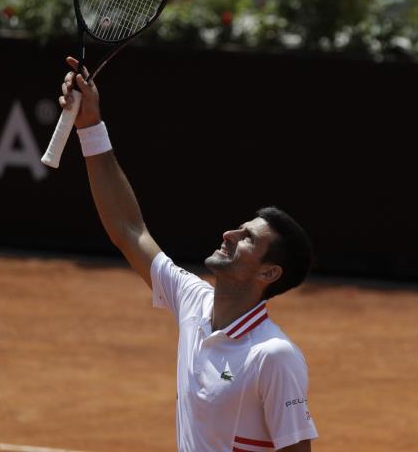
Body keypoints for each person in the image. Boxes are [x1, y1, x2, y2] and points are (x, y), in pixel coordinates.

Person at [59, 57, 318, 452]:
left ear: (269, 273)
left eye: (247, 238)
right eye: (237, 227)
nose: (228, 235)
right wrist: (90, 125)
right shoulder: (194, 303)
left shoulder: (273, 356)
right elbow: (130, 231)